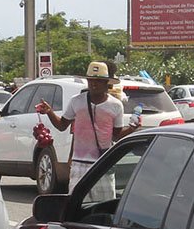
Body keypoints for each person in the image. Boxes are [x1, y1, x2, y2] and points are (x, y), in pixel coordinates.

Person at [37, 61, 137, 197]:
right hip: (79, 164)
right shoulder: (76, 101)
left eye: (98, 81)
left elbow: (116, 135)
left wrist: (132, 128)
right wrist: (49, 112)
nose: (94, 84)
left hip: (103, 163)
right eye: (91, 81)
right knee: (75, 204)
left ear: (106, 83)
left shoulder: (115, 105)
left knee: (103, 206)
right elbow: (62, 125)